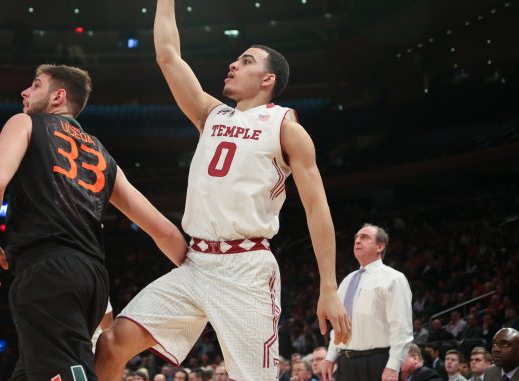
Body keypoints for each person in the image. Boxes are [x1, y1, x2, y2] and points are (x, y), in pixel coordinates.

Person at [95, 0, 351, 380]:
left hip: (245, 268)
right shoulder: (211, 114)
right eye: (236, 60)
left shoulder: (286, 128)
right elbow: (168, 56)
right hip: (195, 263)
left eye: (246, 61)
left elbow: (317, 209)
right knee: (112, 344)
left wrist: (328, 286)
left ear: (268, 80)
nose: (233, 64)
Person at [0, 64, 187, 381]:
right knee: (30, 373)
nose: (25, 92)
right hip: (93, 281)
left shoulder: (25, 123)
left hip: (48, 271)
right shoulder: (101, 154)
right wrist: (202, 270)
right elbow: (164, 230)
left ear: (58, 96)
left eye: (35, 85)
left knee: (66, 372)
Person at [321, 224, 413, 381]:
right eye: (356, 238)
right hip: (346, 362)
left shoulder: (394, 279)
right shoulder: (347, 281)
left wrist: (393, 366)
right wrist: (330, 357)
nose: (357, 241)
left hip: (378, 360)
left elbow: (401, 327)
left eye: (364, 237)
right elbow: (339, 325)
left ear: (380, 246)